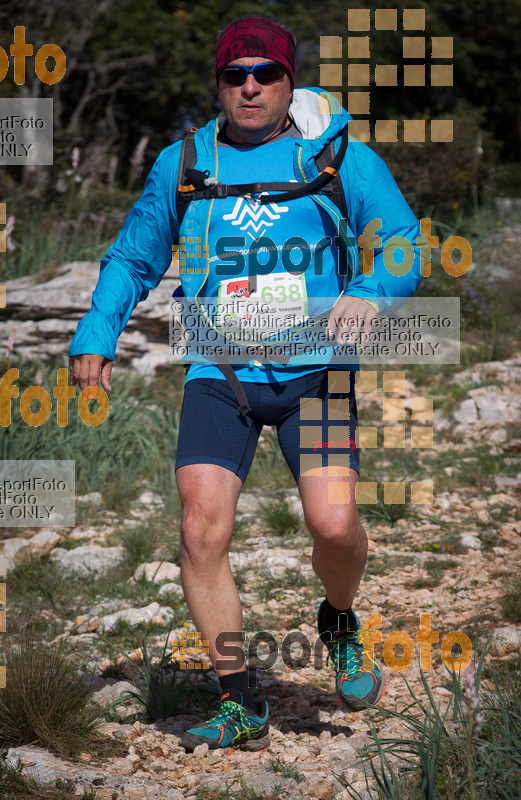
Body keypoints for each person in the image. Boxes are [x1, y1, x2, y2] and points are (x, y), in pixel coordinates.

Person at [69, 15, 423, 753]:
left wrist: (370, 289)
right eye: (236, 76)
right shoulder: (184, 162)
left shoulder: (336, 155)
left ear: (290, 81)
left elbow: (399, 240)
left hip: (315, 372)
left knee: (333, 525)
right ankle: (239, 699)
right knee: (201, 527)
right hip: (217, 370)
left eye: (266, 74)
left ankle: (338, 619)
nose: (251, 87)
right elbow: (134, 258)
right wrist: (95, 334)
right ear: (220, 86)